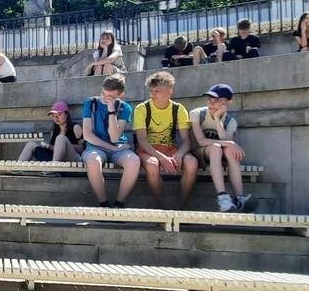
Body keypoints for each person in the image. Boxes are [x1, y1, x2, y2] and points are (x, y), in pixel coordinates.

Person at [134, 70, 197, 209]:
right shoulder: (142, 108)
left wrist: (179, 154)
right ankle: (161, 206)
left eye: (157, 91)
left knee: (192, 163)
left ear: (169, 92)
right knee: (152, 164)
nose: (153, 95)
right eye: (151, 91)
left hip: (170, 148)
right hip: (148, 150)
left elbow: (187, 141)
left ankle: (182, 206)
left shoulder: (179, 109)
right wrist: (161, 158)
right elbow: (142, 141)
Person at [189, 84, 250, 212]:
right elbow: (201, 141)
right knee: (218, 147)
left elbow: (226, 142)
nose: (211, 103)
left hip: (218, 157)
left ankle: (239, 198)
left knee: (229, 150)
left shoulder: (230, 122)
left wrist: (217, 119)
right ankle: (222, 197)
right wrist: (230, 143)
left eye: (217, 100)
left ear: (228, 103)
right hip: (198, 154)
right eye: (209, 99)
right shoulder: (197, 114)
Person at [81, 76, 139, 207]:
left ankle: (119, 204)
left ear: (120, 95)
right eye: (103, 93)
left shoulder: (125, 108)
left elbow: (114, 138)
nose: (105, 98)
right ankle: (103, 204)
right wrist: (112, 148)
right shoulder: (90, 102)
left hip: (118, 147)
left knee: (134, 161)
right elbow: (87, 135)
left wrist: (111, 111)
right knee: (93, 160)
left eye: (110, 97)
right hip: (96, 147)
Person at [18, 101, 83, 163]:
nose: (56, 118)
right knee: (31, 144)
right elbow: (53, 148)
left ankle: (53, 168)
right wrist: (49, 147)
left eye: (59, 114)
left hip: (72, 159)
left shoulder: (75, 127)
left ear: (66, 114)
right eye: (53, 115)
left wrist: (62, 146)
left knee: (61, 138)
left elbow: (84, 149)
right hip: (56, 158)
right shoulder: (54, 130)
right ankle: (18, 168)